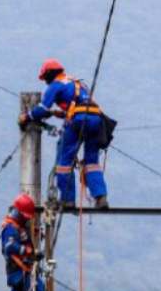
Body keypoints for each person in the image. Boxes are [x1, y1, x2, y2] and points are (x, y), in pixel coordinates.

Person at [19, 58, 110, 209]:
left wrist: (26, 117)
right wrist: (59, 113)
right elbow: (80, 106)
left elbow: (42, 109)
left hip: (78, 121)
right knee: (92, 163)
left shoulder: (56, 85)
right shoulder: (77, 83)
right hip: (96, 120)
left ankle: (68, 200)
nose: (46, 83)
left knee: (64, 161)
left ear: (49, 74)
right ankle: (101, 198)